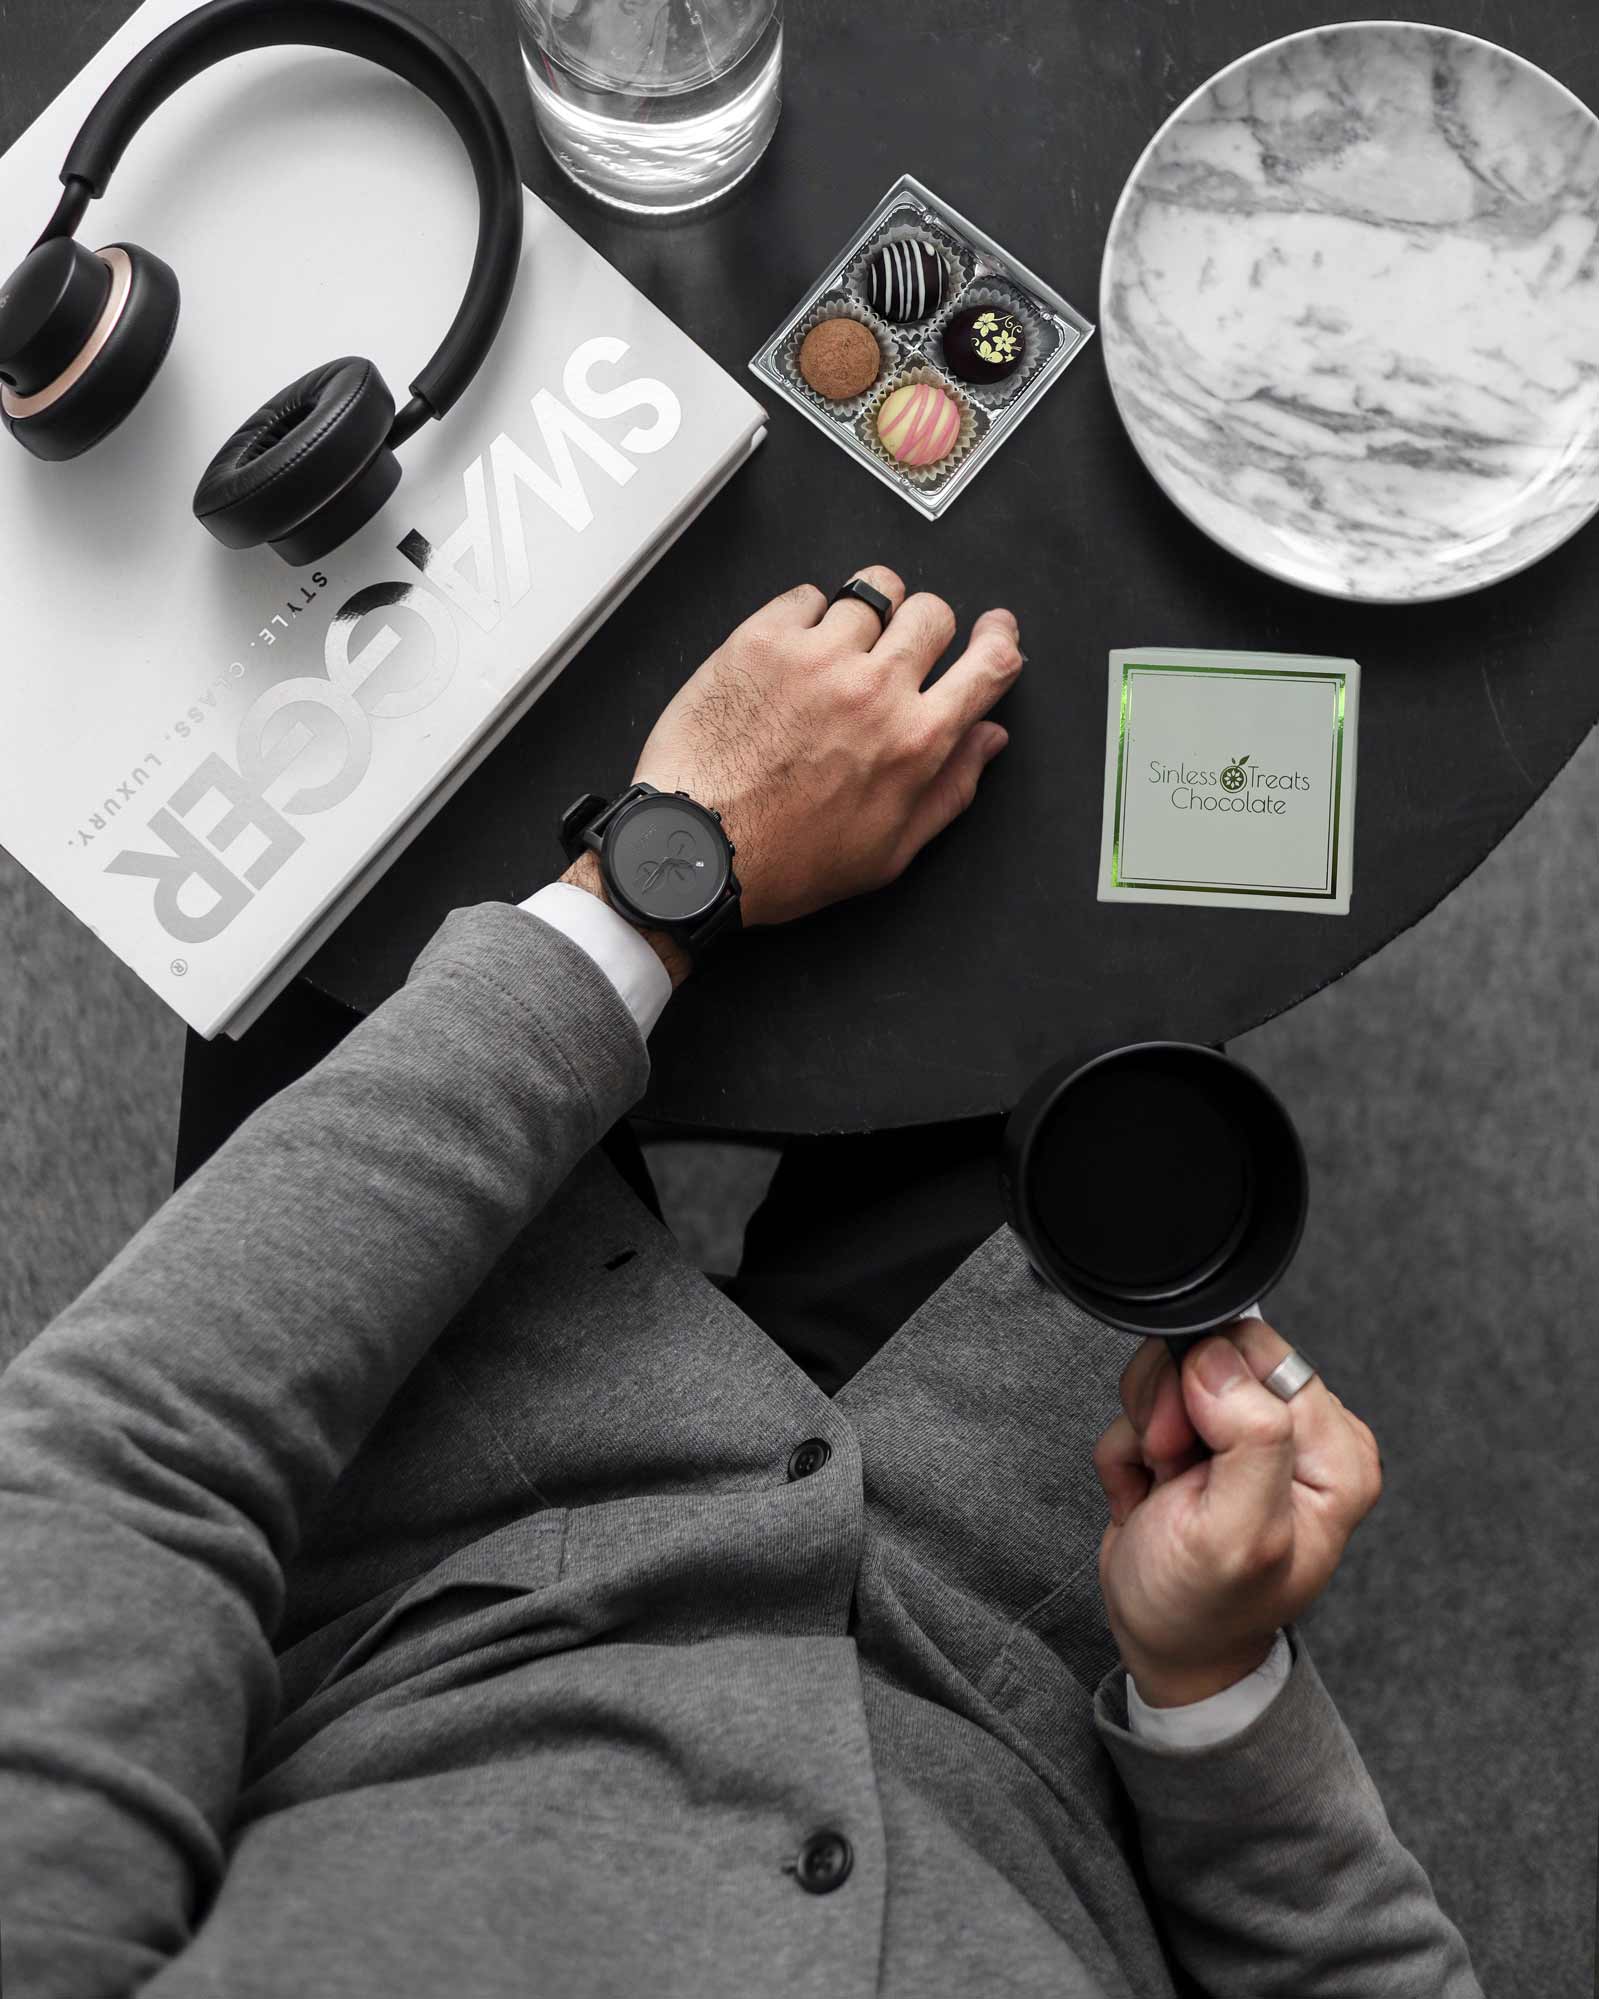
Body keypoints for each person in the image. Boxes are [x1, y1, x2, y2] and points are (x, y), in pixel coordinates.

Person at [0, 567, 1480, 1998]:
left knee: (320, 670)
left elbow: (110, 1478)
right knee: (1070, 733)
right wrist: (1213, 1686)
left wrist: (655, 879)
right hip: (1014, 1603)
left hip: (415, 1519)